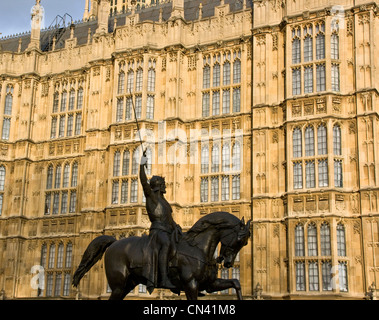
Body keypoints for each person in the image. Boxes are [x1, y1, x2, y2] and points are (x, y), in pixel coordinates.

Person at [139, 150, 181, 290]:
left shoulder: (165, 203)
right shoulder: (151, 197)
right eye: (163, 184)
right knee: (166, 243)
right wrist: (141, 164)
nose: (165, 186)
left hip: (167, 230)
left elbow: (169, 219)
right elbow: (144, 181)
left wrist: (176, 226)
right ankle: (163, 279)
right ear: (158, 185)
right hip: (158, 232)